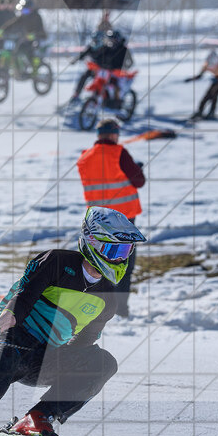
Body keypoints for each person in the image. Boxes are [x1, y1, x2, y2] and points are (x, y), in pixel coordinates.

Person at [0, 207, 146, 436]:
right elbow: (21, 302)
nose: (121, 259)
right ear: (93, 243)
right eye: (114, 250)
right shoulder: (55, 262)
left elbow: (83, 344)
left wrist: (79, 376)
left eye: (126, 250)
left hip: (46, 357)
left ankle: (37, 418)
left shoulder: (108, 297)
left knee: (103, 362)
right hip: (13, 341)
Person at [75, 118, 145, 318]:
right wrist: (136, 169)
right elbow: (139, 181)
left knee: (96, 263)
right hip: (123, 221)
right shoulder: (119, 153)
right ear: (114, 133)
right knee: (122, 265)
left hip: (97, 222)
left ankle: (94, 308)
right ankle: (120, 310)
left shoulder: (84, 158)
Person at [70, 29, 132, 104]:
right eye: (110, 39)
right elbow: (96, 57)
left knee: (116, 86)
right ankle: (78, 94)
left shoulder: (124, 49)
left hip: (117, 73)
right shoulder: (106, 47)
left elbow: (130, 62)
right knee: (89, 77)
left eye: (113, 40)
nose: (111, 42)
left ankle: (117, 103)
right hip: (103, 70)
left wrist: (123, 68)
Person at [0, 0, 47, 75]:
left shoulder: (37, 17)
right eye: (23, 11)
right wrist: (2, 30)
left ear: (31, 9)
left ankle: (35, 70)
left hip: (38, 38)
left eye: (26, 11)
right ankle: (20, 69)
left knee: (32, 52)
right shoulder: (22, 17)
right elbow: (12, 23)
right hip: (26, 39)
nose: (24, 13)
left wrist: (34, 35)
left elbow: (40, 30)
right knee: (17, 50)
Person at [184, 49, 218, 120]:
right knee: (207, 95)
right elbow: (199, 76)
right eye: (210, 66)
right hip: (217, 79)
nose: (211, 67)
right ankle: (200, 111)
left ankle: (211, 112)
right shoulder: (206, 65)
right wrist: (191, 79)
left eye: (213, 66)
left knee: (214, 95)